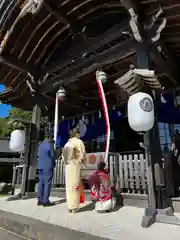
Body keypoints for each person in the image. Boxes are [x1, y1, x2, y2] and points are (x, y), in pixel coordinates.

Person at [62, 127, 86, 213]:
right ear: (77, 134)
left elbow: (63, 156)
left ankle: (69, 206)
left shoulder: (67, 143)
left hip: (67, 165)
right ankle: (74, 206)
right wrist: (82, 162)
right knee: (75, 185)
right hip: (75, 165)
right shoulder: (79, 142)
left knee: (69, 186)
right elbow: (82, 154)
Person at [37, 133, 56, 206]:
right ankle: (45, 200)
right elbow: (53, 155)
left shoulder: (40, 145)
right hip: (47, 166)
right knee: (47, 183)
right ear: (50, 138)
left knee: (41, 183)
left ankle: (39, 199)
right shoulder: (49, 145)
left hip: (40, 166)